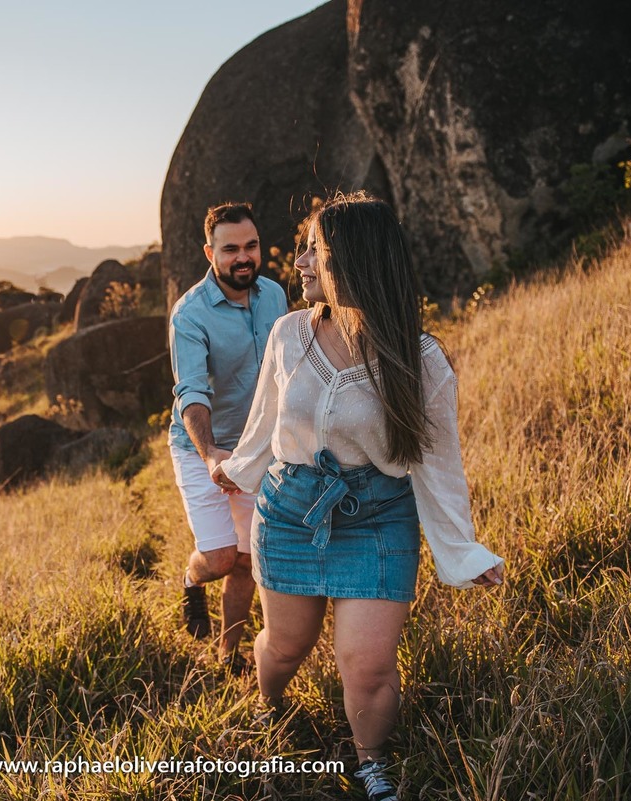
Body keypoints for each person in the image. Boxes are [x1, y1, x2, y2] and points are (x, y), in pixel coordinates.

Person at [211, 192, 505, 800]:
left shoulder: (419, 360)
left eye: (315, 251)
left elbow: (438, 463)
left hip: (376, 516)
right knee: (286, 647)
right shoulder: (290, 334)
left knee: (366, 667)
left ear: (355, 260)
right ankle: (270, 709)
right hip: (290, 511)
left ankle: (371, 761)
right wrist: (237, 469)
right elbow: (266, 419)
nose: (301, 263)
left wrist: (462, 551)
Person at [168, 201, 289, 670]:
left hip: (257, 447)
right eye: (231, 248)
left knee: (246, 561)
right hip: (201, 448)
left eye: (251, 246)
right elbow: (191, 392)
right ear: (209, 252)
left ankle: (228, 653)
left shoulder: (276, 296)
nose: (244, 257)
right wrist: (211, 453)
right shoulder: (190, 315)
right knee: (219, 558)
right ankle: (190, 580)